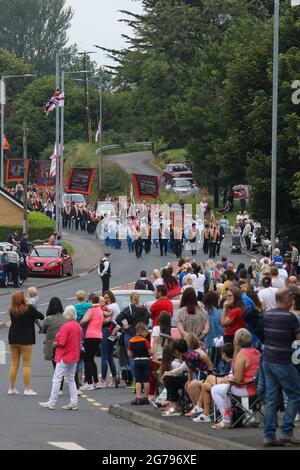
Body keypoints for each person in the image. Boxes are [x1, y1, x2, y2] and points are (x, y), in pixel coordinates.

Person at [262, 288, 300, 447]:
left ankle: (269, 435)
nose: (293, 301)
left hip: (267, 360)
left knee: (271, 399)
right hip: (283, 361)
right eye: (291, 298)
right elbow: (298, 338)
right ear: (287, 300)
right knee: (296, 394)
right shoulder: (290, 317)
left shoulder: (267, 315)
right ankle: (286, 431)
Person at [211, 329, 260, 429]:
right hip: (257, 387)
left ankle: (226, 420)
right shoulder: (256, 352)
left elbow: (238, 379)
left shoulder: (241, 355)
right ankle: (230, 418)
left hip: (246, 388)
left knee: (215, 389)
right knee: (225, 389)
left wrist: (228, 379)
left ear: (236, 341)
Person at [39, 306, 82, 411]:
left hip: (64, 355)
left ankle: (52, 402)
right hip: (74, 355)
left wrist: (55, 344)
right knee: (71, 379)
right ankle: (74, 402)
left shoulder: (65, 327)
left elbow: (62, 343)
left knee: (57, 379)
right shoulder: (78, 326)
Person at [8, 291, 44, 396]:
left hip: (13, 338)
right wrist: (30, 305)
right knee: (26, 365)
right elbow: (41, 316)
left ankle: (11, 388)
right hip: (26, 339)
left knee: (14, 364)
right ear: (23, 299)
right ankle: (27, 389)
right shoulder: (29, 308)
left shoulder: (12, 310)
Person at [42, 297, 66, 395]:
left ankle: (58, 388)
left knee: (56, 366)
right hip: (63, 344)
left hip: (52, 345)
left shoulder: (48, 319)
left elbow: (43, 330)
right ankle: (61, 386)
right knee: (63, 366)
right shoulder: (65, 317)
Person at [80, 295, 103, 391]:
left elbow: (84, 320)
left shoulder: (91, 310)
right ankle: (96, 382)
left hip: (90, 336)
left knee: (87, 359)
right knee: (91, 359)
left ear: (90, 300)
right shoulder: (99, 310)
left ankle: (89, 382)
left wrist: (79, 324)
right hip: (98, 336)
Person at [128, 323, 152, 406]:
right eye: (145, 331)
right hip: (145, 361)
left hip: (136, 361)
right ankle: (146, 398)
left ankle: (138, 398)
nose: (147, 333)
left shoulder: (131, 341)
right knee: (146, 380)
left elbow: (129, 354)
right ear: (141, 331)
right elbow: (150, 352)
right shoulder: (145, 341)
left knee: (138, 380)